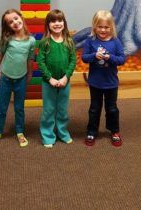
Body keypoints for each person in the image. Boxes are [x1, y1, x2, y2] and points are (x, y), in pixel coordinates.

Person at [0, 9, 35, 148]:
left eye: (15, 18)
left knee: (19, 108)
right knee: (2, 108)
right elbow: (0, 55)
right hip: (6, 79)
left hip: (21, 79)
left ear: (21, 17)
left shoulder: (31, 40)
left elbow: (30, 59)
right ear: (7, 26)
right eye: (10, 22)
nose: (14, 22)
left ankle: (20, 132)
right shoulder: (7, 39)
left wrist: (30, 74)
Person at [82, 10, 125, 147]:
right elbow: (84, 57)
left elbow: (122, 59)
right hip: (95, 83)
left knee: (112, 108)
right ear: (95, 26)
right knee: (94, 108)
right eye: (100, 26)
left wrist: (109, 57)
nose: (103, 30)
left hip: (111, 83)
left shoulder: (115, 41)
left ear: (111, 27)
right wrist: (95, 56)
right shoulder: (91, 40)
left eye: (106, 27)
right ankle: (91, 131)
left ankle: (114, 131)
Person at [37, 9, 76, 148]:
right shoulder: (45, 42)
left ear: (64, 23)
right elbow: (40, 62)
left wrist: (66, 77)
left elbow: (73, 61)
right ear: (48, 24)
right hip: (49, 83)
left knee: (62, 109)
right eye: (53, 21)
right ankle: (48, 135)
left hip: (65, 82)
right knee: (48, 109)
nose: (57, 23)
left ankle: (62, 132)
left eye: (59, 20)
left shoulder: (69, 42)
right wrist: (50, 78)